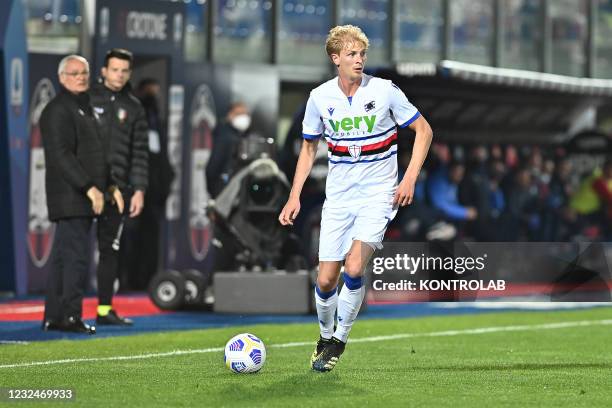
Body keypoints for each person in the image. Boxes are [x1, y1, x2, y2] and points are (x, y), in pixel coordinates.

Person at [278, 25, 433, 372]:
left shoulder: (385, 91)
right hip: (339, 198)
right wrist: (294, 197)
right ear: (336, 58)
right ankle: (323, 335)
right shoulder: (319, 98)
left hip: (379, 195)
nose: (359, 60)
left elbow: (424, 130)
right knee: (324, 280)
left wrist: (408, 178)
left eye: (362, 54)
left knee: (353, 267)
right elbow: (308, 148)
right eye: (351, 54)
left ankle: (339, 341)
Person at [41, 55, 120, 334]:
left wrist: (110, 186)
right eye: (74, 73)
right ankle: (70, 316)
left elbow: (96, 154)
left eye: (84, 72)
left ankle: (55, 316)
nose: (80, 77)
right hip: (71, 196)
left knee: (65, 257)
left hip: (84, 195)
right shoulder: (57, 110)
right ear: (62, 77)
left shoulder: (84, 107)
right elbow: (62, 156)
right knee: (75, 258)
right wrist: (89, 188)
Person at [89, 48, 148, 325]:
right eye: (114, 69)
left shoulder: (134, 107)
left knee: (110, 250)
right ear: (103, 71)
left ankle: (104, 309)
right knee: (73, 250)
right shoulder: (87, 99)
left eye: (124, 71)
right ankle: (66, 309)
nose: (119, 75)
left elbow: (139, 152)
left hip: (119, 192)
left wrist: (139, 189)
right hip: (86, 187)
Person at [206, 102, 252, 197]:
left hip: (240, 194)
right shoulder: (224, 137)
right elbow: (212, 169)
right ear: (230, 115)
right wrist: (216, 193)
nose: (243, 117)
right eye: (239, 114)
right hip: (224, 192)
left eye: (246, 114)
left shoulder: (246, 136)